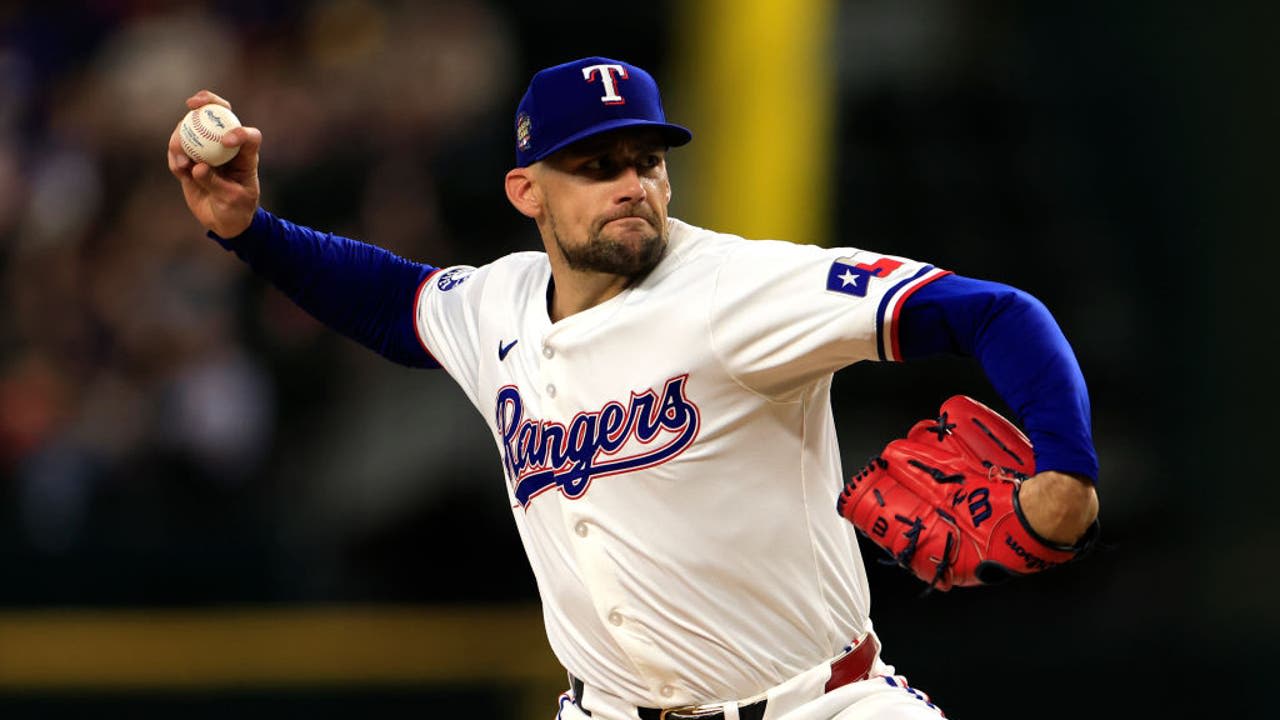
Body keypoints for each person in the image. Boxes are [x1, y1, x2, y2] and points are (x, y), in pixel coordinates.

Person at [167, 56, 1099, 720]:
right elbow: (390, 300)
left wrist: (1066, 470)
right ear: (526, 191)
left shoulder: (739, 290)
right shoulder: (498, 304)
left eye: (646, 161)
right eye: (595, 166)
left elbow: (995, 312)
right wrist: (250, 227)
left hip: (818, 705)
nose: (631, 185)